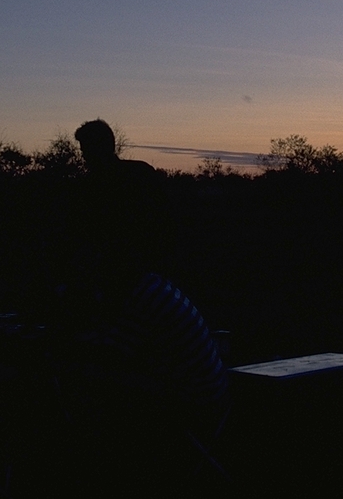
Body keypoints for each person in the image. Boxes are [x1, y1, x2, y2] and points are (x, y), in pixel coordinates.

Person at [51, 119, 230, 479]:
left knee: (120, 372)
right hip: (137, 284)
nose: (86, 157)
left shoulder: (124, 185)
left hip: (138, 288)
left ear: (106, 146)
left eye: (89, 149)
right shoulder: (115, 183)